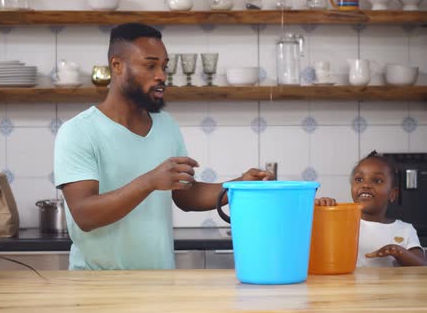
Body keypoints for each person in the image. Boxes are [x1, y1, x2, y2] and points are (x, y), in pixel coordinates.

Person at [54, 23, 273, 270]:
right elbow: (85, 215)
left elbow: (187, 195)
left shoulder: (166, 126)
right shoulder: (78, 131)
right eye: (150, 66)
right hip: (97, 288)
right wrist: (149, 181)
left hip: (159, 283)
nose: (161, 75)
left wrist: (238, 185)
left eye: (164, 66)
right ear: (117, 66)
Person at [314, 151, 427, 267]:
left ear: (393, 194)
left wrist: (398, 252)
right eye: (359, 179)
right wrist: (317, 211)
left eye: (377, 180)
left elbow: (424, 266)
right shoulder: (336, 222)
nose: (365, 185)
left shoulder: (405, 230)